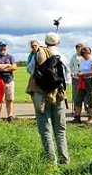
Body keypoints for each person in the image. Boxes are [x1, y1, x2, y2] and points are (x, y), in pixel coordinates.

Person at [26, 32, 70, 165]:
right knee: (60, 129)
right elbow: (67, 79)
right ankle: (64, 160)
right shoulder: (63, 57)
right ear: (58, 43)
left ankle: (51, 163)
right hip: (59, 94)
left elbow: (29, 70)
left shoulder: (39, 54)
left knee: (45, 129)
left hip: (41, 95)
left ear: (45, 43)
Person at [73, 47, 92, 125]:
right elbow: (82, 70)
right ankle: (77, 117)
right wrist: (79, 73)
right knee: (78, 98)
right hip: (82, 81)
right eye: (82, 54)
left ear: (88, 53)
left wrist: (84, 74)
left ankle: (91, 118)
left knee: (90, 99)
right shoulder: (83, 60)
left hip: (90, 81)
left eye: (84, 54)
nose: (83, 56)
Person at [0, 40, 17, 122]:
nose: (3, 48)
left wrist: (2, 67)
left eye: (4, 46)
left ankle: (10, 116)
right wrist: (7, 65)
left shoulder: (10, 57)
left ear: (6, 47)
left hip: (9, 81)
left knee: (9, 100)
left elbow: (14, 67)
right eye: (1, 46)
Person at [70, 43, 84, 112]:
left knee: (85, 94)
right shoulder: (73, 57)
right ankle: (76, 107)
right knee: (75, 94)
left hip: (83, 78)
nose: (79, 50)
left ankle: (86, 108)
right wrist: (72, 73)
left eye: (80, 48)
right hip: (75, 78)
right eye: (78, 48)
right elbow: (71, 66)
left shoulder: (84, 57)